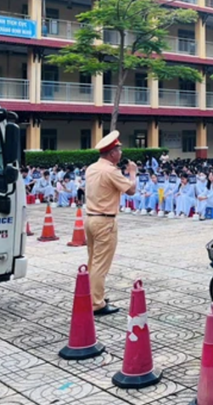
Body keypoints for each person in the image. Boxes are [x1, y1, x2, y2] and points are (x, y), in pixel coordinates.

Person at [85, 131, 138, 316]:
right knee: (101, 265)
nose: (121, 153)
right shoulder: (110, 171)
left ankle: (92, 297)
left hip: (91, 218)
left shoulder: (92, 168)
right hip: (105, 220)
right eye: (119, 150)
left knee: (93, 262)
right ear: (112, 154)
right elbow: (131, 190)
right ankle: (97, 304)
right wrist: (132, 173)